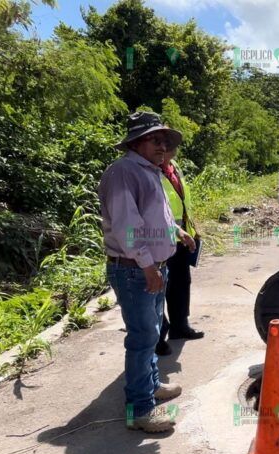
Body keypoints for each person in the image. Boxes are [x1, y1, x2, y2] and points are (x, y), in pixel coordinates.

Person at [99, 111, 196, 433]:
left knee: (152, 334)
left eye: (164, 140)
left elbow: (156, 216)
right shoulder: (124, 172)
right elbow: (129, 227)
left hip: (151, 266)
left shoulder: (149, 170)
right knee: (142, 339)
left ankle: (151, 386)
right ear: (137, 142)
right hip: (134, 270)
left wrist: (176, 233)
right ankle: (139, 410)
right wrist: (148, 264)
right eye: (155, 139)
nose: (162, 145)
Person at [155, 147, 204, 357]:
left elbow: (183, 202)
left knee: (181, 283)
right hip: (159, 238)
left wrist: (192, 228)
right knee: (158, 289)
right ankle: (158, 337)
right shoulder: (150, 172)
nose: (173, 147)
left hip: (182, 236)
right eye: (167, 144)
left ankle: (179, 326)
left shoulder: (174, 167)